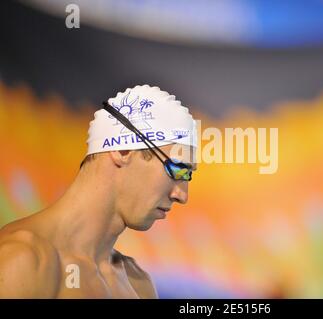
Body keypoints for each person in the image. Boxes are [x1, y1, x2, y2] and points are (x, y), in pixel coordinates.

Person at [0, 85, 198, 298]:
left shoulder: (138, 284)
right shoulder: (22, 262)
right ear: (123, 151)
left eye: (188, 175)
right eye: (177, 169)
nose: (182, 195)